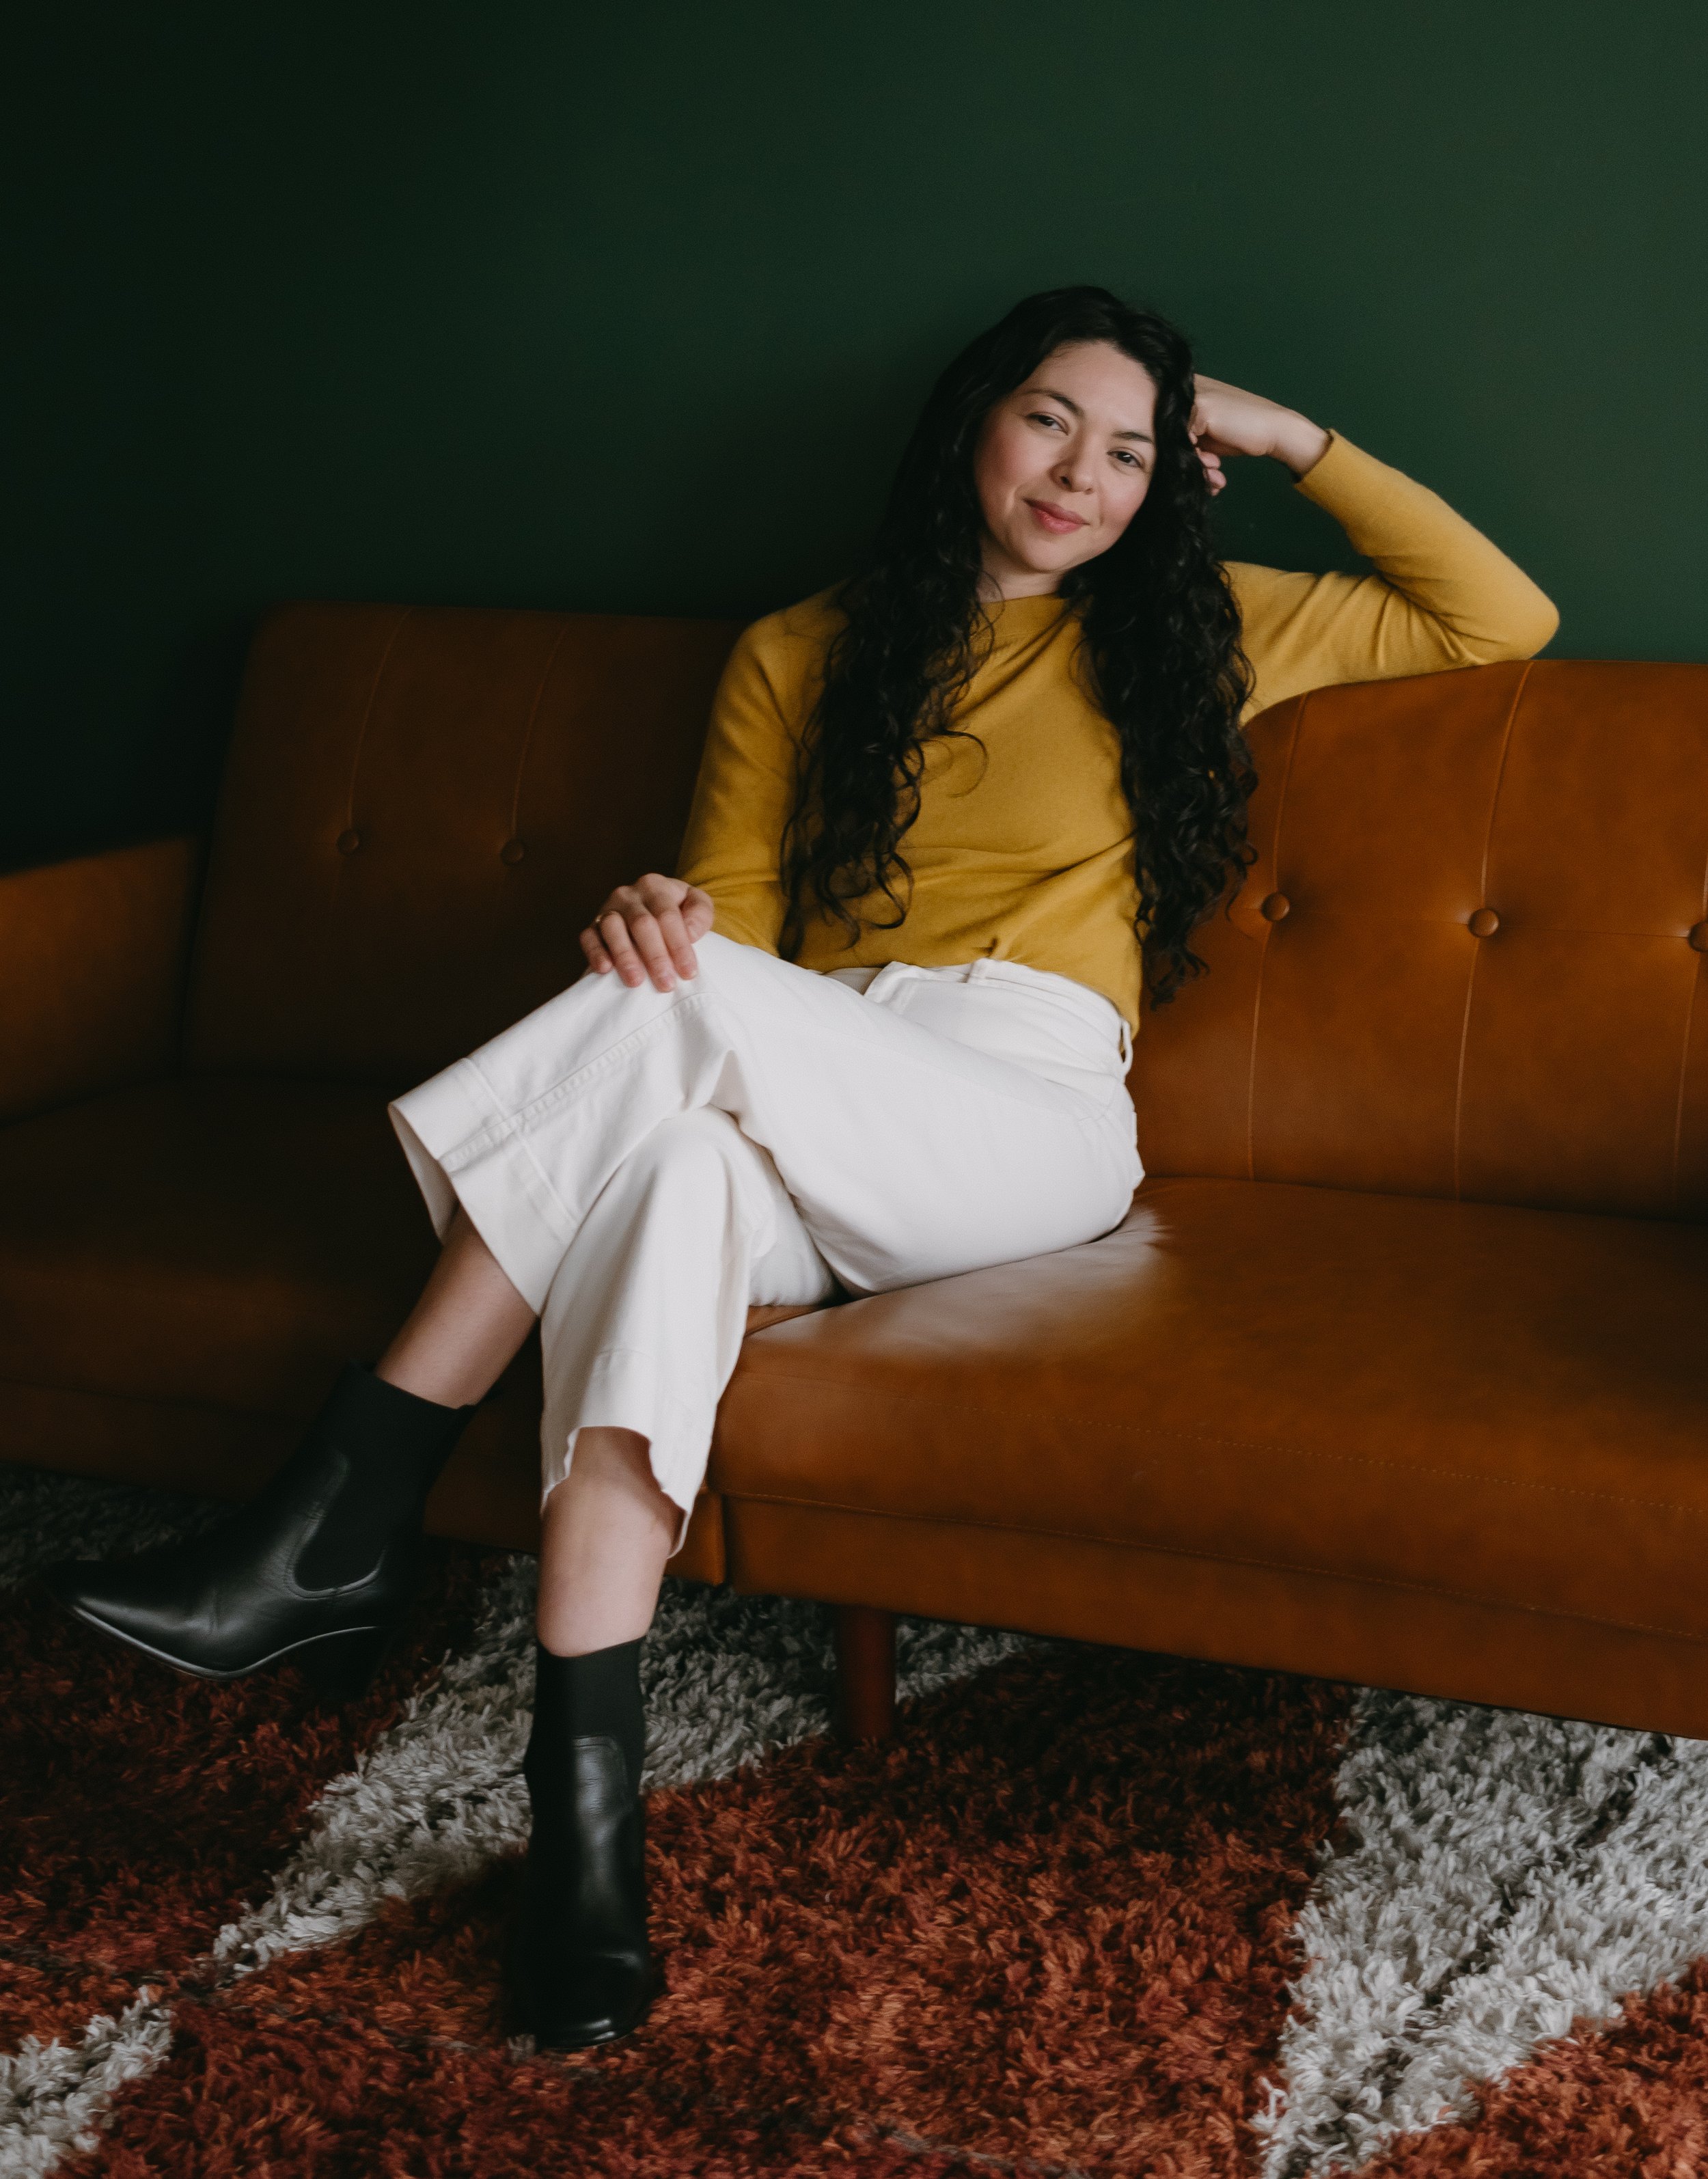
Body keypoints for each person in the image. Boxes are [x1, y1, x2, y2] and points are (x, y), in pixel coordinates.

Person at [45, 286, 1557, 2051]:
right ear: (967, 427)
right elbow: (727, 940)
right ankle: (581, 1853)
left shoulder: (1211, 626)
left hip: (1018, 1107)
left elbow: (1495, 616)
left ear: (1176, 481)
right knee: (667, 1171)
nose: (1085, 472)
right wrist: (659, 920)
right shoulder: (793, 650)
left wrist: (1291, 437)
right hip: (789, 1078)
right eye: (1051, 421)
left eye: (1134, 448)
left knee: (687, 1035)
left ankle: (338, 1509)